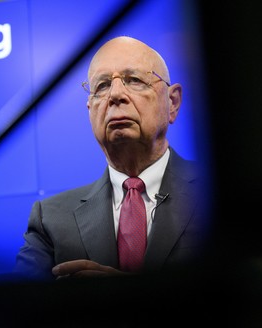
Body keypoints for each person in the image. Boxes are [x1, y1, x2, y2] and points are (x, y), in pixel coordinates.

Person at [14, 36, 211, 280]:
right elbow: (22, 310)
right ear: (90, 109)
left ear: (172, 102)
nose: (116, 95)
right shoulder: (50, 219)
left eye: (135, 80)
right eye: (102, 85)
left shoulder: (219, 192)